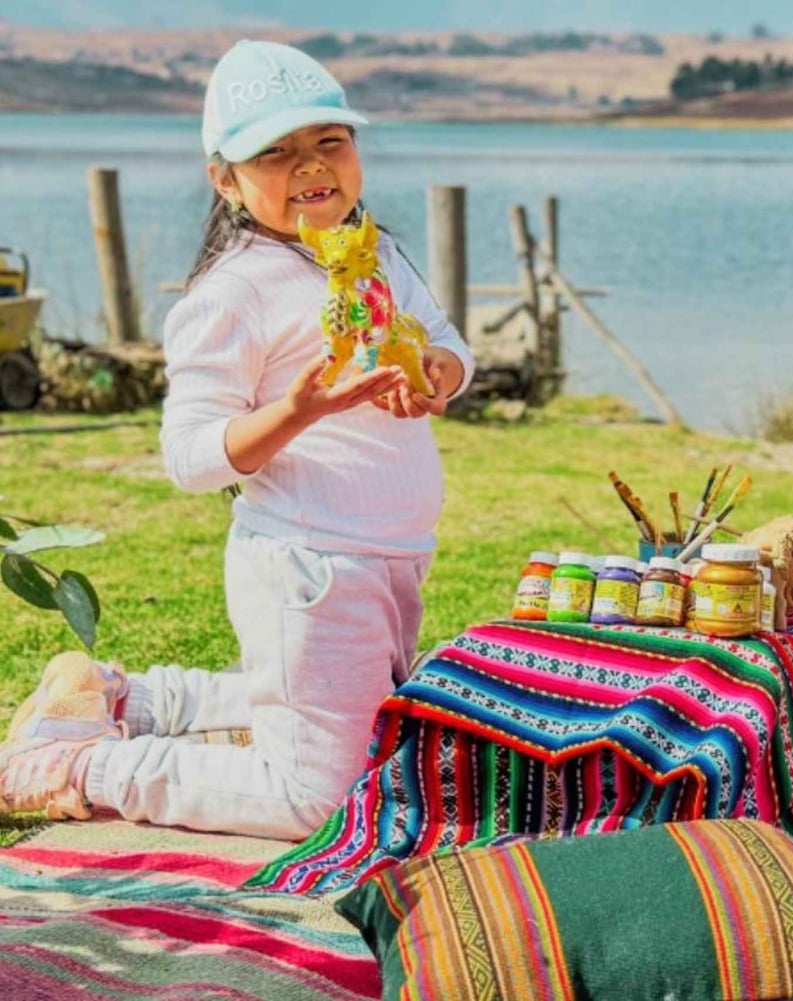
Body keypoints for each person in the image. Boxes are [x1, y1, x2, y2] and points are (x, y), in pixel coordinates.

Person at [0, 40, 474, 840]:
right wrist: (298, 409)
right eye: (275, 152)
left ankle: (133, 699)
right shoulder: (234, 292)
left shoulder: (377, 252)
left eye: (330, 141)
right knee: (316, 797)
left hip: (395, 551)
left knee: (372, 716)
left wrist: (439, 371)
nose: (311, 166)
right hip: (308, 568)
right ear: (225, 178)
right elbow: (189, 456)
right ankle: (76, 766)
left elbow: (454, 343)